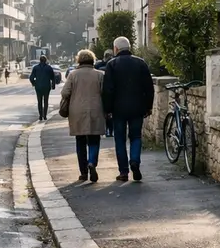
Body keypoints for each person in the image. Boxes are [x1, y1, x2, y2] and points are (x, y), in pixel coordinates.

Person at [101, 36, 154, 182]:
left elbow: (108, 89)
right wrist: (148, 106)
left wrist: (107, 109)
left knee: (120, 139)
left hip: (118, 109)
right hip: (137, 107)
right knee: (136, 136)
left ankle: (123, 172)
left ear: (116, 49)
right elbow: (149, 88)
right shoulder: (140, 63)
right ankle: (135, 162)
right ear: (129, 47)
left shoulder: (112, 65)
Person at [59, 49, 105, 183]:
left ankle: (83, 172)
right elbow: (105, 93)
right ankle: (92, 162)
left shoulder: (73, 75)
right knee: (94, 139)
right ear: (92, 60)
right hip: (95, 109)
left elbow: (64, 93)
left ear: (79, 60)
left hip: (77, 111)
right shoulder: (100, 75)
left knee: (80, 141)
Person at [29, 55, 56, 121]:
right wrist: (53, 85)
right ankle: (45, 115)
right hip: (47, 86)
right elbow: (53, 77)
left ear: (40, 60)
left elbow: (31, 77)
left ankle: (40, 115)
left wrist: (34, 83)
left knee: (39, 101)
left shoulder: (36, 68)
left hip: (38, 86)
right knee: (46, 101)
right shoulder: (49, 68)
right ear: (46, 60)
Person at [96, 49, 115, 137]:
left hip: (101, 91)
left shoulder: (98, 65)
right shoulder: (114, 64)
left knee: (106, 113)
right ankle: (109, 130)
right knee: (110, 114)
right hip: (110, 91)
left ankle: (107, 130)